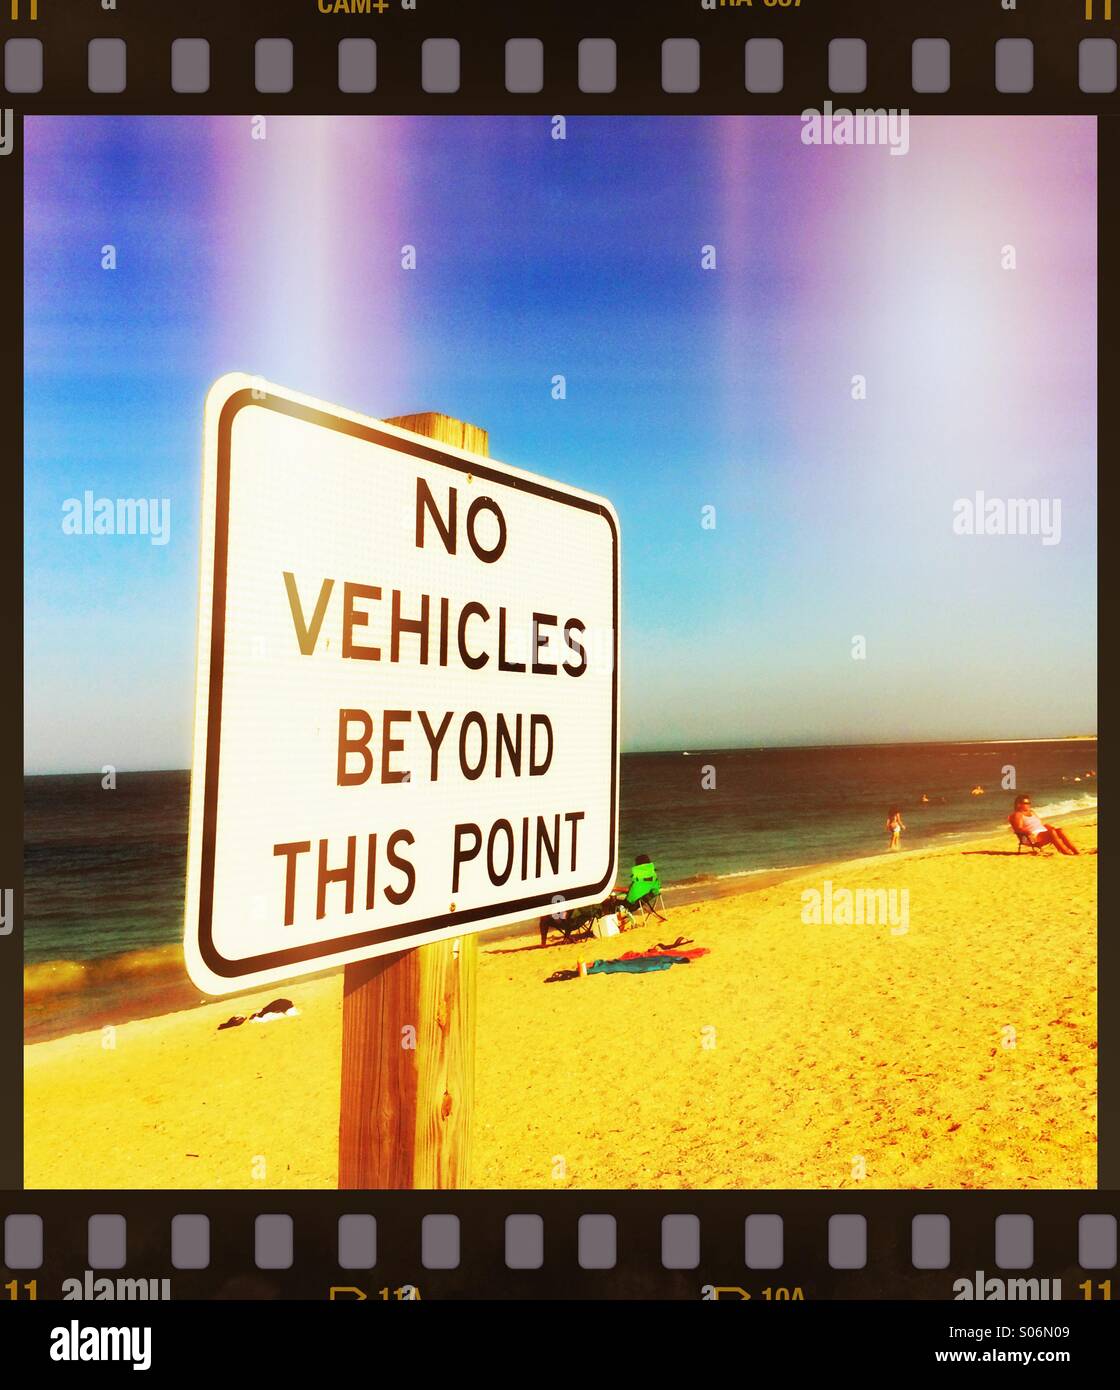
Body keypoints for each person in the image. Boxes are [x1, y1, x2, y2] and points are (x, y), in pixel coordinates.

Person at [1009, 795, 1080, 855]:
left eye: (1029, 803)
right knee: (1051, 831)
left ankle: (1075, 850)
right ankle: (1065, 851)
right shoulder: (1018, 815)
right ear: (1019, 804)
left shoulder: (1032, 812)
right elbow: (1019, 828)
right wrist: (1028, 832)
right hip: (1031, 837)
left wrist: (1047, 827)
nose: (1028, 805)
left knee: (1059, 830)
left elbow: (1037, 824)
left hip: (1041, 834)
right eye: (1026, 803)